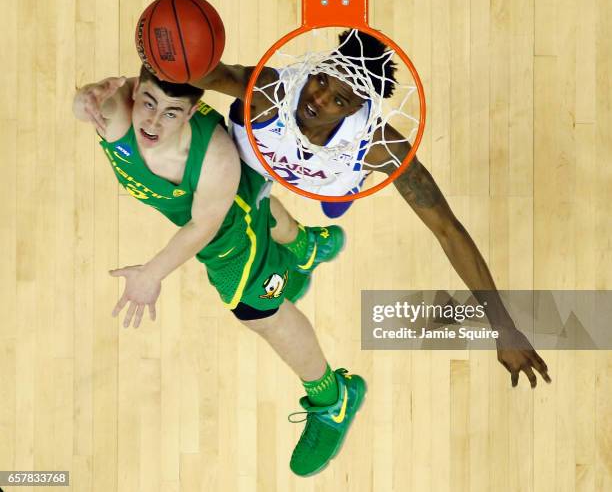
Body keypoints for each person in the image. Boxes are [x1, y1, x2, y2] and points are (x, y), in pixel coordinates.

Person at [193, 29, 552, 388]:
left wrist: (503, 326)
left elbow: (447, 230)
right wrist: (172, 58)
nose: (317, 99)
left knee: (332, 204)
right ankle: (309, 245)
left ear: (356, 108)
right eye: (320, 80)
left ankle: (333, 208)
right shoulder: (269, 90)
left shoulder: (381, 145)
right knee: (243, 200)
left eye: (338, 99)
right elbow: (207, 72)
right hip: (249, 164)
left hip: (324, 178)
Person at [72, 66, 366, 476]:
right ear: (134, 91)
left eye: (172, 112)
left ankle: (332, 399)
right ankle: (305, 246)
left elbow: (202, 227)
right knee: (248, 195)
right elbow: (82, 103)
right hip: (225, 193)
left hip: (226, 228)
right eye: (149, 103)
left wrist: (152, 274)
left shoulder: (215, 160)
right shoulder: (115, 111)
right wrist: (85, 93)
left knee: (258, 311)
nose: (154, 122)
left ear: (192, 113)